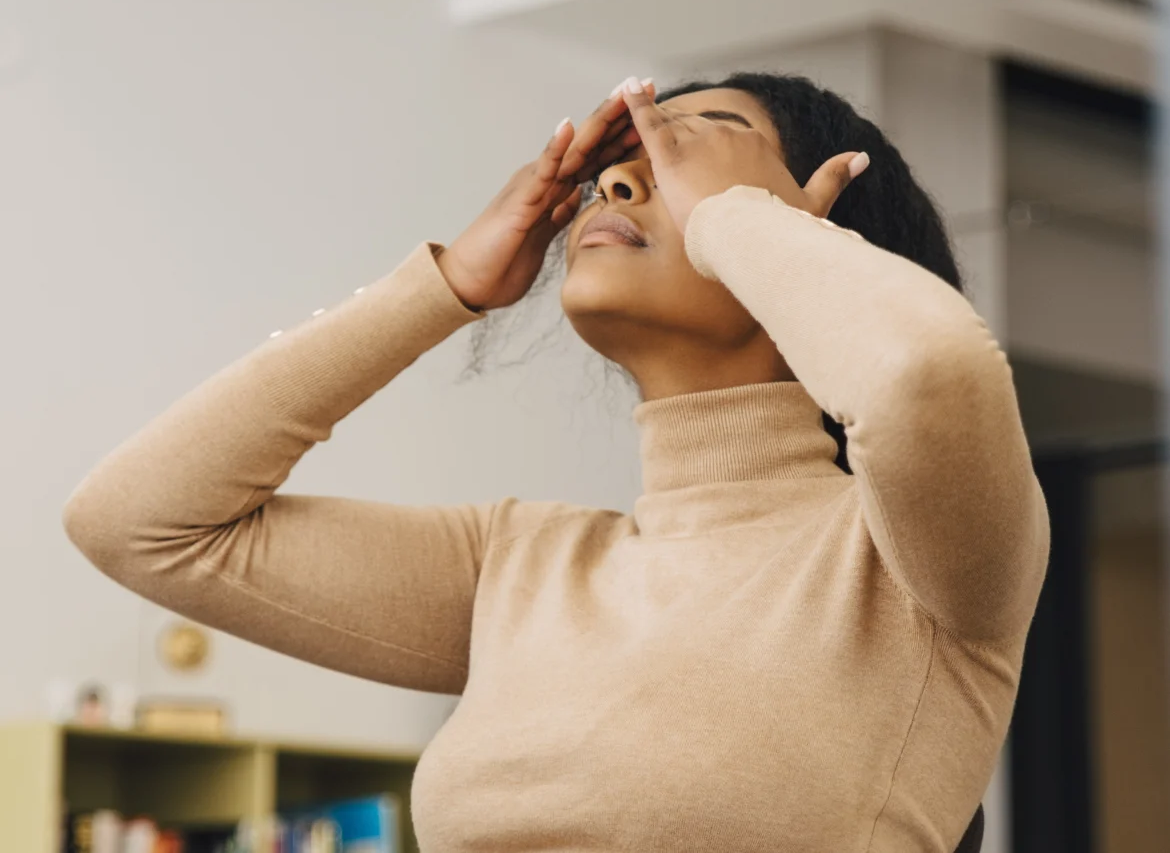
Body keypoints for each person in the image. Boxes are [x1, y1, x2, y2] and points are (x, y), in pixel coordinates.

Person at [64, 71, 1050, 852]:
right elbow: (139, 525)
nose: (616, 182)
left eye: (687, 156)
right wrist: (445, 285)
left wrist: (743, 223)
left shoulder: (915, 559)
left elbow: (927, 373)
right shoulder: (518, 565)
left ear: (812, 225)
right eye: (617, 163)